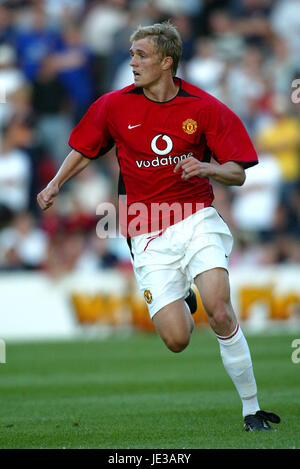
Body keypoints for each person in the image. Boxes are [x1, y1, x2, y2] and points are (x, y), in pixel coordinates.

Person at [37, 21, 280, 432]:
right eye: (131, 54)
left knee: (219, 310)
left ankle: (252, 408)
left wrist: (208, 167)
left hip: (196, 216)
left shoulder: (204, 107)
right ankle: (184, 296)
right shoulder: (113, 105)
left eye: (141, 55)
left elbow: (238, 173)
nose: (132, 63)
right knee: (176, 340)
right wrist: (55, 183)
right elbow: (84, 148)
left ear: (167, 62)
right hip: (144, 229)